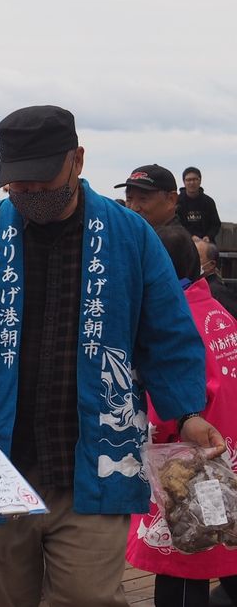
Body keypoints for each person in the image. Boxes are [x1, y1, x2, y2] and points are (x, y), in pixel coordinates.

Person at [0, 105, 221, 607]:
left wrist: (186, 413)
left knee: (89, 598)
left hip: (94, 466)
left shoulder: (131, 238)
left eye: (42, 181)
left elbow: (168, 334)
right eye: (17, 185)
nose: (29, 193)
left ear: (77, 160)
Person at [127, 225, 237, 607]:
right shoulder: (217, 311)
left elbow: (170, 398)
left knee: (186, 561)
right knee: (222, 550)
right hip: (227, 455)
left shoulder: (175, 322)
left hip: (190, 462)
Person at [117, 164, 182, 229]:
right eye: (129, 199)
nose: (133, 208)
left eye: (143, 199)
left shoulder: (176, 238)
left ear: (171, 200)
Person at [177, 167, 222, 242]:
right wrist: (190, 236)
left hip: (206, 242)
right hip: (184, 242)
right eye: (188, 180)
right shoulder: (177, 201)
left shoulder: (208, 201)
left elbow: (216, 224)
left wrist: (208, 236)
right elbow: (175, 224)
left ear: (200, 181)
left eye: (195, 179)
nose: (192, 183)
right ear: (184, 182)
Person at [198, 240, 237, 317]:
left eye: (198, 257)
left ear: (211, 264)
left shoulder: (217, 291)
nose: (193, 261)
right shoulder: (192, 285)